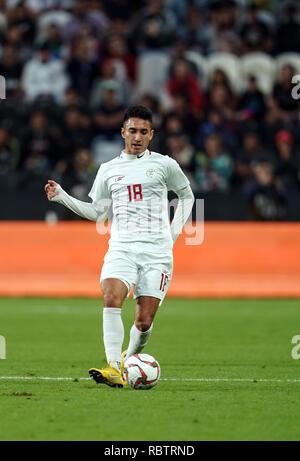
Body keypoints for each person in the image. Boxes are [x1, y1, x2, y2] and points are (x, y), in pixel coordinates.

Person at [44, 105, 194, 388]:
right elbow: (97, 214)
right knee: (111, 295)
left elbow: (187, 197)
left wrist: (172, 236)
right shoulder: (108, 170)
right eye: (132, 131)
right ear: (123, 132)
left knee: (143, 322)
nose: (137, 137)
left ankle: (129, 357)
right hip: (122, 248)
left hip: (156, 253)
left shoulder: (165, 165)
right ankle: (113, 367)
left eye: (143, 132)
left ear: (151, 134)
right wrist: (61, 196)